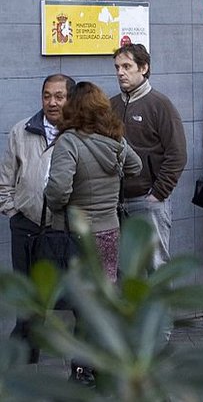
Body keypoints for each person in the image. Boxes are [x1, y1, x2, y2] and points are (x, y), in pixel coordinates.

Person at [44, 82, 142, 385]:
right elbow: (136, 167)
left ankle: (82, 368)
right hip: (109, 231)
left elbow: (58, 191)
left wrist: (53, 200)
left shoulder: (69, 142)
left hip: (79, 235)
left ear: (73, 108)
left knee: (85, 305)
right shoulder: (116, 141)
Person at [0, 74, 75, 363]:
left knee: (67, 293)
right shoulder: (22, 131)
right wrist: (13, 210)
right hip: (26, 226)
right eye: (47, 95)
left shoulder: (78, 134)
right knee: (26, 290)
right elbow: (6, 177)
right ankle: (26, 351)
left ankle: (78, 357)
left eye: (59, 96)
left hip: (62, 230)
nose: (52, 102)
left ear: (70, 99)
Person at [110, 44, 187, 270]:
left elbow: (178, 154)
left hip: (148, 201)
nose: (120, 72)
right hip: (116, 202)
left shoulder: (160, 105)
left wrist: (158, 193)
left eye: (126, 66)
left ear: (143, 68)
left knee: (156, 267)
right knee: (123, 270)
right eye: (117, 67)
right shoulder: (111, 105)